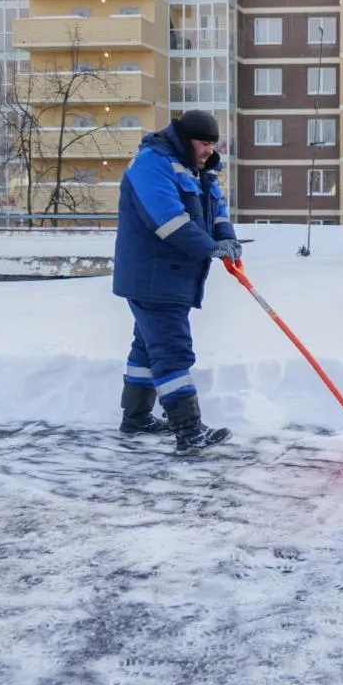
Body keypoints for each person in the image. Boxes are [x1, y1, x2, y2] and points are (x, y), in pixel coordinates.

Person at [112, 110, 241, 451]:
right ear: (186, 139)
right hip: (153, 276)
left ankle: (136, 417)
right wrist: (211, 248)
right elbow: (168, 221)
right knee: (172, 350)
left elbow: (217, 209)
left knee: (147, 345)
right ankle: (189, 431)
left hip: (173, 277)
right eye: (203, 143)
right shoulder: (151, 164)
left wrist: (226, 237)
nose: (208, 150)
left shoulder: (200, 169)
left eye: (213, 144)